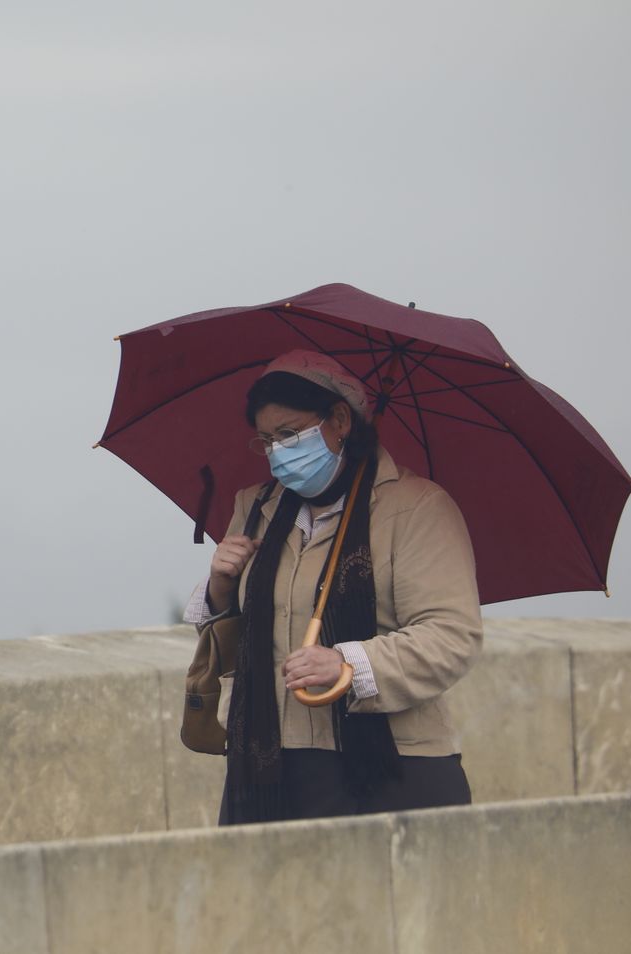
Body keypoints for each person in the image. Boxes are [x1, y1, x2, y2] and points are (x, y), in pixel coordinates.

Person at [186, 349, 483, 824]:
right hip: (267, 767)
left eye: (290, 434)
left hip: (390, 767)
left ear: (340, 420)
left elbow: (451, 634)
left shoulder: (417, 508)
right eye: (266, 440)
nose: (279, 451)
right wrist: (221, 586)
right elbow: (236, 640)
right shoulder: (256, 508)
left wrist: (348, 663)